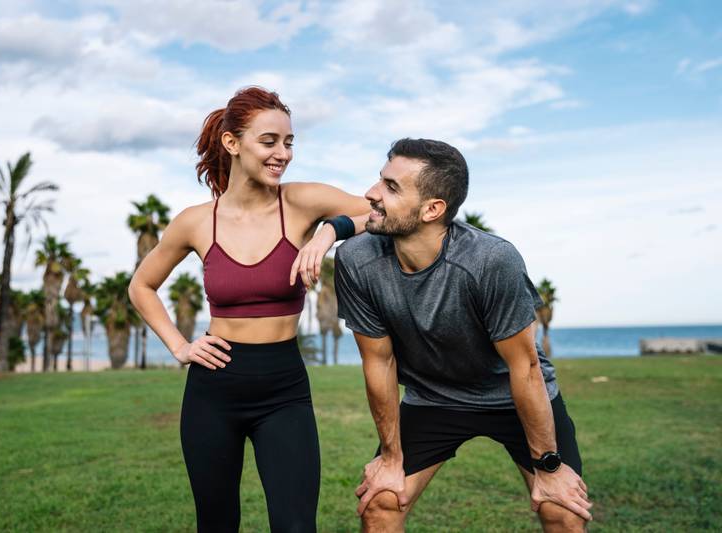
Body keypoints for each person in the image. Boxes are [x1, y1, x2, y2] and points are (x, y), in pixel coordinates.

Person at [128, 86, 369, 532]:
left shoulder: (301, 203)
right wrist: (179, 346)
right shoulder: (196, 221)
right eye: (269, 141)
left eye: (289, 142)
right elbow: (142, 285)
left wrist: (328, 232)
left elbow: (382, 212)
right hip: (213, 389)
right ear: (232, 143)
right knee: (216, 525)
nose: (283, 153)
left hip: (284, 388)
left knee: (296, 526)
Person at [334, 138, 592, 532]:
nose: (371, 194)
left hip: (510, 395)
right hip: (433, 398)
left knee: (562, 511)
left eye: (391, 186)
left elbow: (524, 368)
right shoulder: (356, 260)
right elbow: (379, 360)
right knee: (381, 503)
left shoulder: (490, 261)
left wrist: (549, 465)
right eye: (379, 180)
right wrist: (390, 457)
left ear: (433, 209)